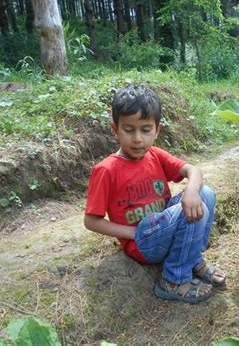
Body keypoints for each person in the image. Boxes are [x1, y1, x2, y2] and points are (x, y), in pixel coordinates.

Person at [84, 84, 226, 304]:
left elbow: (194, 171)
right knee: (186, 212)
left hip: (165, 228)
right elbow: (91, 221)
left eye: (145, 129)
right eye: (129, 130)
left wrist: (190, 190)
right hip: (142, 242)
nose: (138, 138)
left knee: (204, 193)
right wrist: (133, 233)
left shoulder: (155, 155)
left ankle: (192, 258)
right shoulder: (107, 170)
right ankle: (174, 281)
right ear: (115, 129)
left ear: (157, 130)